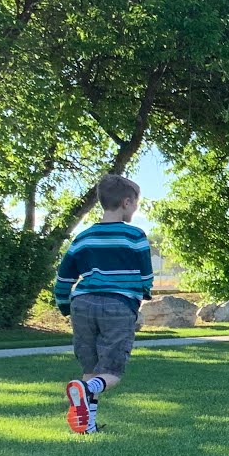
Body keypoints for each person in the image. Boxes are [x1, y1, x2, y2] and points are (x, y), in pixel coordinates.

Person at [54, 174, 154, 435]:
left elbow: (64, 278)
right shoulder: (134, 236)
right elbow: (146, 276)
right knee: (111, 371)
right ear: (126, 202)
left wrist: (64, 306)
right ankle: (86, 390)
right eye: (136, 204)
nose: (135, 209)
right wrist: (141, 296)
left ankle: (87, 426)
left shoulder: (83, 237)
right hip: (117, 305)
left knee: (91, 368)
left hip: (82, 304)